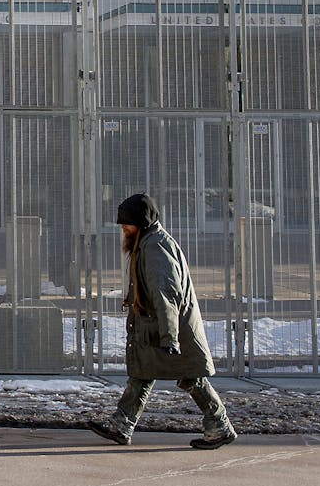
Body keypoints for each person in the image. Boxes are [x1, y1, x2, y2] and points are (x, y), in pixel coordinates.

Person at [89, 193, 237, 450]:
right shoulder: (147, 242)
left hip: (170, 329)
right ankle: (122, 424)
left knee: (191, 377)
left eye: (127, 222)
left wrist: (170, 337)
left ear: (142, 222)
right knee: (142, 374)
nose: (123, 227)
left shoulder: (155, 246)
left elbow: (166, 293)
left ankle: (220, 425)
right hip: (157, 327)